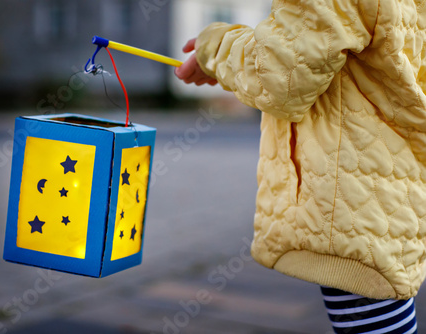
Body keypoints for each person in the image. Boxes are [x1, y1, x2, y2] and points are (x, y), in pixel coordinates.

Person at [175, 1, 426, 333]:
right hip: (388, 187)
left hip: (353, 201)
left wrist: (214, 46)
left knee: (372, 317)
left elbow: (280, 75)